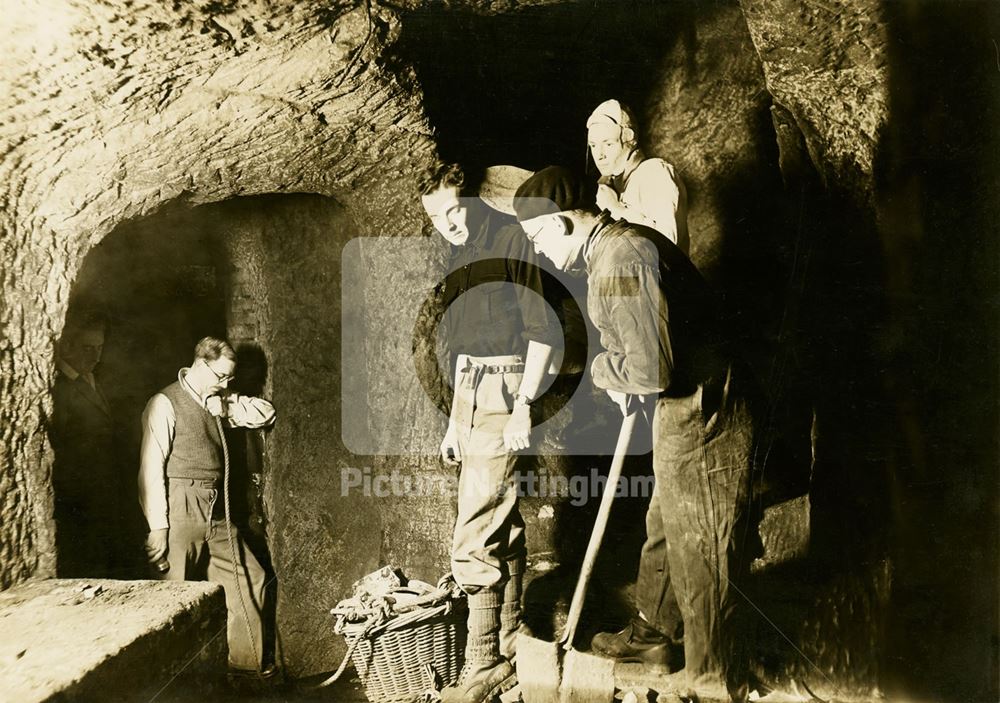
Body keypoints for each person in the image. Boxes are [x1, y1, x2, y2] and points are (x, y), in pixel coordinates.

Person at [513, 167, 756, 697]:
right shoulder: (614, 250)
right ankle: (654, 633)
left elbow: (650, 372)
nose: (539, 252)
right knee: (666, 519)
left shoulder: (622, 257)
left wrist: (604, 372)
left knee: (701, 537)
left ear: (561, 224)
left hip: (704, 404)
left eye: (537, 238)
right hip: (684, 402)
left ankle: (712, 677)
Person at [419, 163, 561, 703]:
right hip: (473, 391)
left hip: (509, 388)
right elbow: (460, 353)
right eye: (437, 216)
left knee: (474, 526)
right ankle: (506, 640)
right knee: (503, 517)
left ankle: (481, 661)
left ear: (472, 200)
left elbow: (543, 331)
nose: (449, 223)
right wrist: (457, 421)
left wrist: (524, 405)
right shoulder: (457, 255)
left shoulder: (509, 239)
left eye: (455, 209)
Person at [138, 337, 276, 677]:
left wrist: (226, 406)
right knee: (172, 596)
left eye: (229, 378)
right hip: (180, 504)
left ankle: (246, 668)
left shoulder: (219, 400)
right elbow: (150, 468)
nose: (226, 383)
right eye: (221, 376)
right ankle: (168, 683)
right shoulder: (164, 402)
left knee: (250, 577)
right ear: (200, 364)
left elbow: (266, 412)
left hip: (216, 508)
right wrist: (158, 526)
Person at [51, 311, 120, 577]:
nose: (96, 356)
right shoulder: (59, 387)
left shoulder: (91, 378)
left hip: (102, 489)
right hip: (79, 496)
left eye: (100, 348)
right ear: (67, 346)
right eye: (88, 348)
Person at [587, 99, 690, 254]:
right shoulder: (608, 184)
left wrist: (616, 209)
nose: (599, 155)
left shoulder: (655, 172)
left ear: (630, 139)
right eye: (593, 145)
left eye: (608, 144)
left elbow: (668, 242)